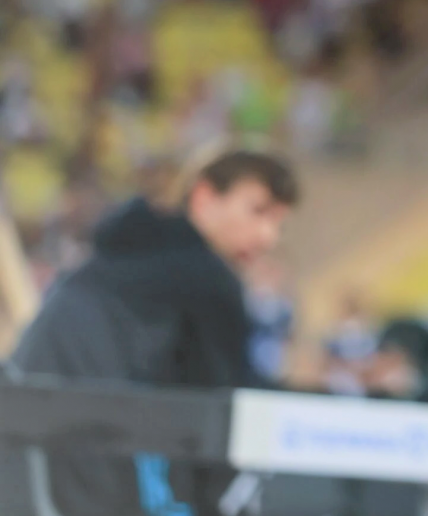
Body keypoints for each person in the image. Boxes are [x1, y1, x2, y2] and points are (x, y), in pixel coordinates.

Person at [10, 147, 299, 516]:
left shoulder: (108, 263)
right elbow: (219, 408)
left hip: (34, 455)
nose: (267, 236)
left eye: (279, 223)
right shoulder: (204, 279)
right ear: (204, 195)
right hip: (110, 463)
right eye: (257, 211)